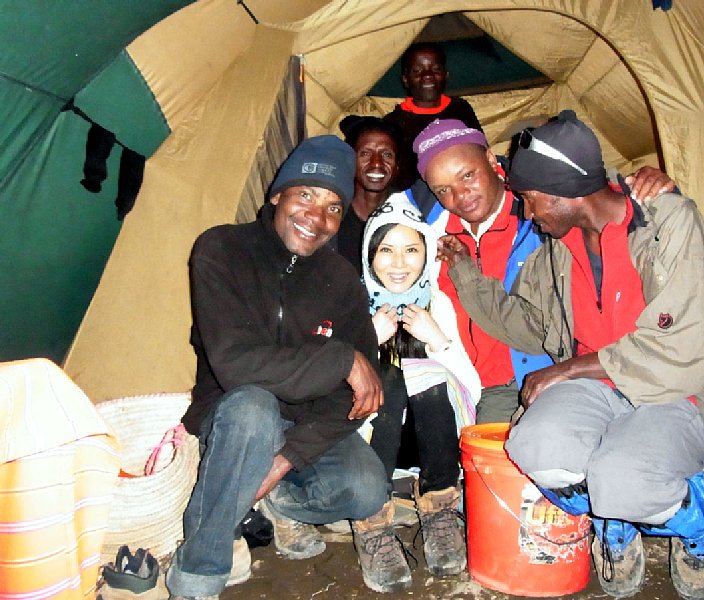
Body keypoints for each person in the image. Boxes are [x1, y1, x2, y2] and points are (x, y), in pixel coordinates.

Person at [436, 110, 704, 600]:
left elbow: (682, 346)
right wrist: (467, 276)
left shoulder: (667, 225)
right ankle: (617, 521)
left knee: (623, 479)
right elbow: (533, 326)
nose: (528, 214)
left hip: (681, 390)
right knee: (533, 445)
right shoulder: (559, 247)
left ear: (563, 191)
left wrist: (569, 369)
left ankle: (696, 522)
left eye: (531, 201)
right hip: (601, 390)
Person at [166, 136, 411, 598]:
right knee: (253, 407)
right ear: (277, 194)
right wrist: (341, 358)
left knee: (366, 490)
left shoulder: (340, 280)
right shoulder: (221, 249)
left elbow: (358, 394)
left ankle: (269, 499)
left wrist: (285, 460)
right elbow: (235, 364)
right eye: (306, 196)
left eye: (334, 207)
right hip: (232, 412)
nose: (317, 218)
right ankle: (199, 569)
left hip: (305, 422)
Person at [410, 118, 675, 424]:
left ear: (491, 159)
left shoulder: (544, 219)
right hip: (456, 377)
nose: (461, 195)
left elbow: (597, 198)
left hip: (527, 378)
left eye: (468, 175)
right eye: (443, 189)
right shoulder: (428, 230)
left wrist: (645, 185)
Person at [361, 192, 480, 577]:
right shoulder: (351, 303)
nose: (399, 264)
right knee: (388, 379)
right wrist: (365, 341)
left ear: (426, 253)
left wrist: (437, 341)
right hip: (367, 447)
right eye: (386, 251)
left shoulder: (437, 302)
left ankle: (439, 505)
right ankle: (373, 520)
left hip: (432, 447)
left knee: (429, 375)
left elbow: (470, 392)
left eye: (411, 250)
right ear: (369, 255)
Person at [384, 42, 482, 191]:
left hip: (467, 188)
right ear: (405, 79)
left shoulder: (460, 108)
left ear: (446, 75)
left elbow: (481, 150)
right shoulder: (393, 123)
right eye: (417, 71)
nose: (428, 76)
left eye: (435, 69)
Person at [335, 115, 402, 272]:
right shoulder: (333, 211)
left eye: (387, 154)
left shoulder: (409, 212)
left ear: (397, 166)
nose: (377, 163)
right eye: (365, 153)